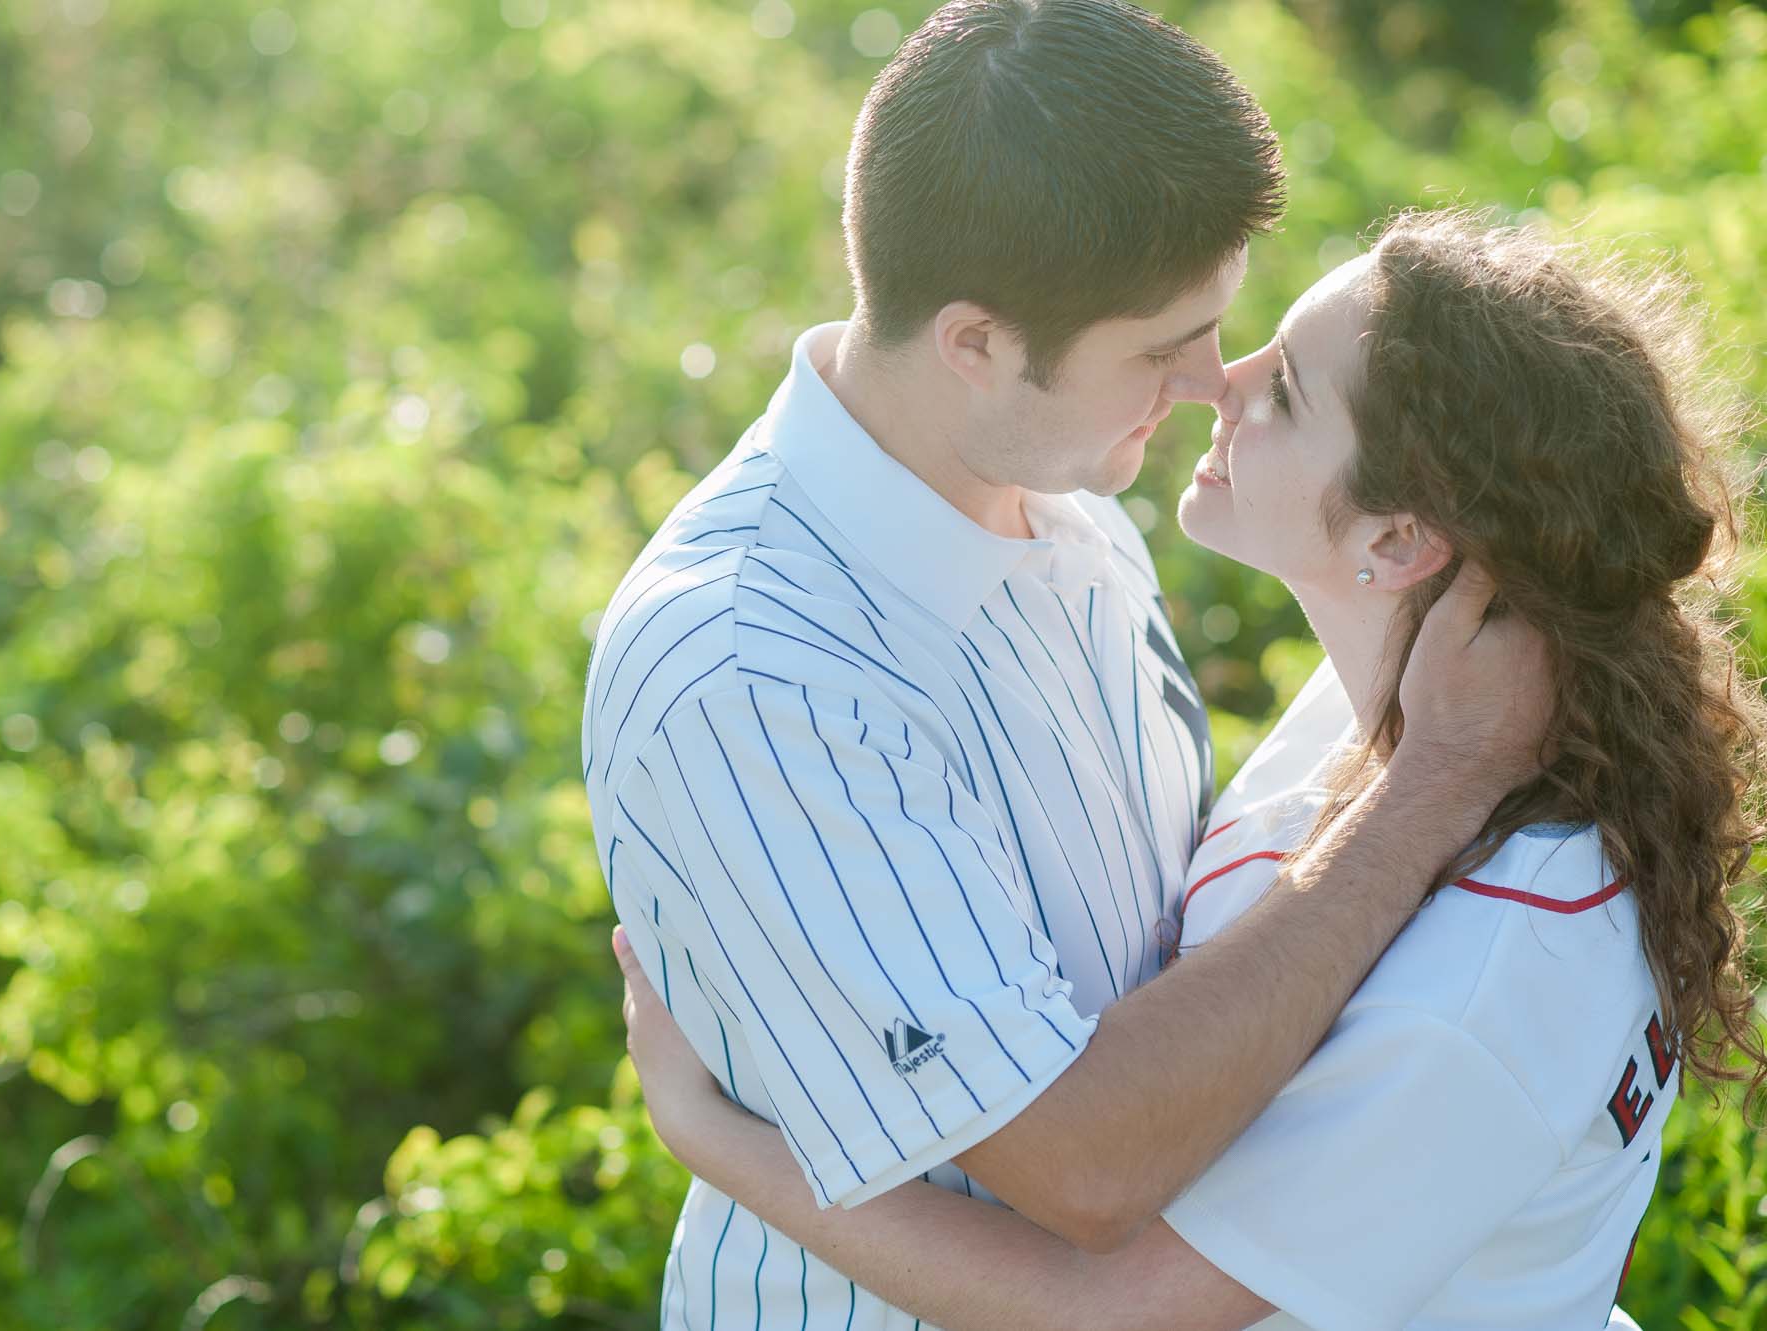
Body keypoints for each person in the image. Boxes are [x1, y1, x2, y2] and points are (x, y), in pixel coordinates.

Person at [614, 208, 1767, 1330]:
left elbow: (1117, 1311)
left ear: (1393, 541)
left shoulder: (1485, 954)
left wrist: (714, 1136)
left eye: (1283, 392)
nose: (1221, 380)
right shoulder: (1381, 720)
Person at [580, 2, 1553, 1326]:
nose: (1214, 383)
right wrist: (1430, 783)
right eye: (1162, 347)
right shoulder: (757, 677)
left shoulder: (1072, 507)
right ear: (973, 342)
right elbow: (1082, 1167)